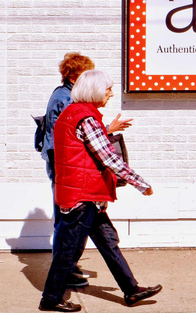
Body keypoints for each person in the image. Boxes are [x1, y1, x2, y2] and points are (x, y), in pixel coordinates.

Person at [39, 70, 161, 312]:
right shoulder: (86, 118)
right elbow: (109, 159)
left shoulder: (71, 113)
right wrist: (141, 184)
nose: (111, 93)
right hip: (83, 196)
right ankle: (51, 299)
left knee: (108, 242)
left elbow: (81, 149)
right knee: (68, 250)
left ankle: (131, 290)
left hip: (83, 194)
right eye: (108, 90)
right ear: (95, 91)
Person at [42, 53, 132, 288]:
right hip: (69, 168)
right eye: (84, 74)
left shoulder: (65, 96)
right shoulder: (67, 98)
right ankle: (65, 271)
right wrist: (108, 129)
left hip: (69, 167)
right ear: (73, 75)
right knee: (68, 222)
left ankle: (129, 287)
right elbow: (80, 133)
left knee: (87, 226)